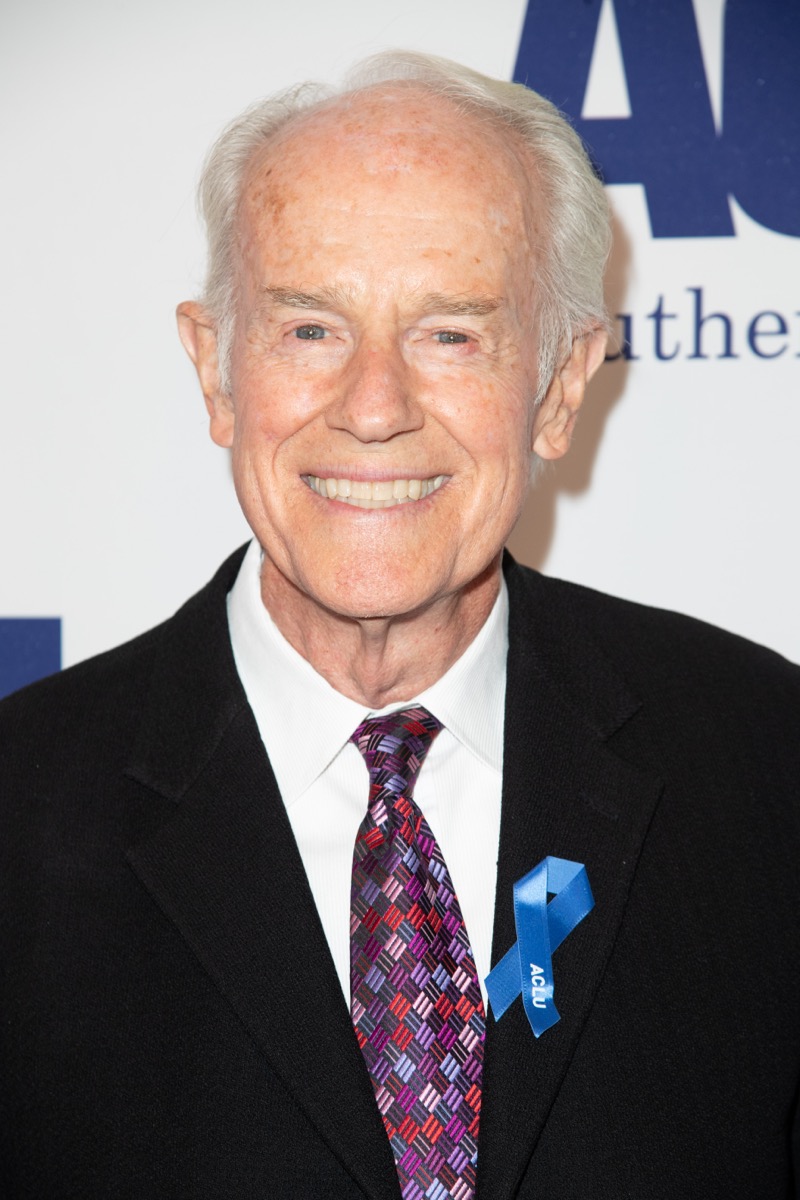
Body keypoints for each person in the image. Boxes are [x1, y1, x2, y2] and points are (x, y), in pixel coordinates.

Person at [1, 51, 798, 1200]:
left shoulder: (765, 765)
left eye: (449, 334)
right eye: (309, 329)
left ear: (560, 385)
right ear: (215, 372)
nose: (373, 408)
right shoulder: (20, 807)